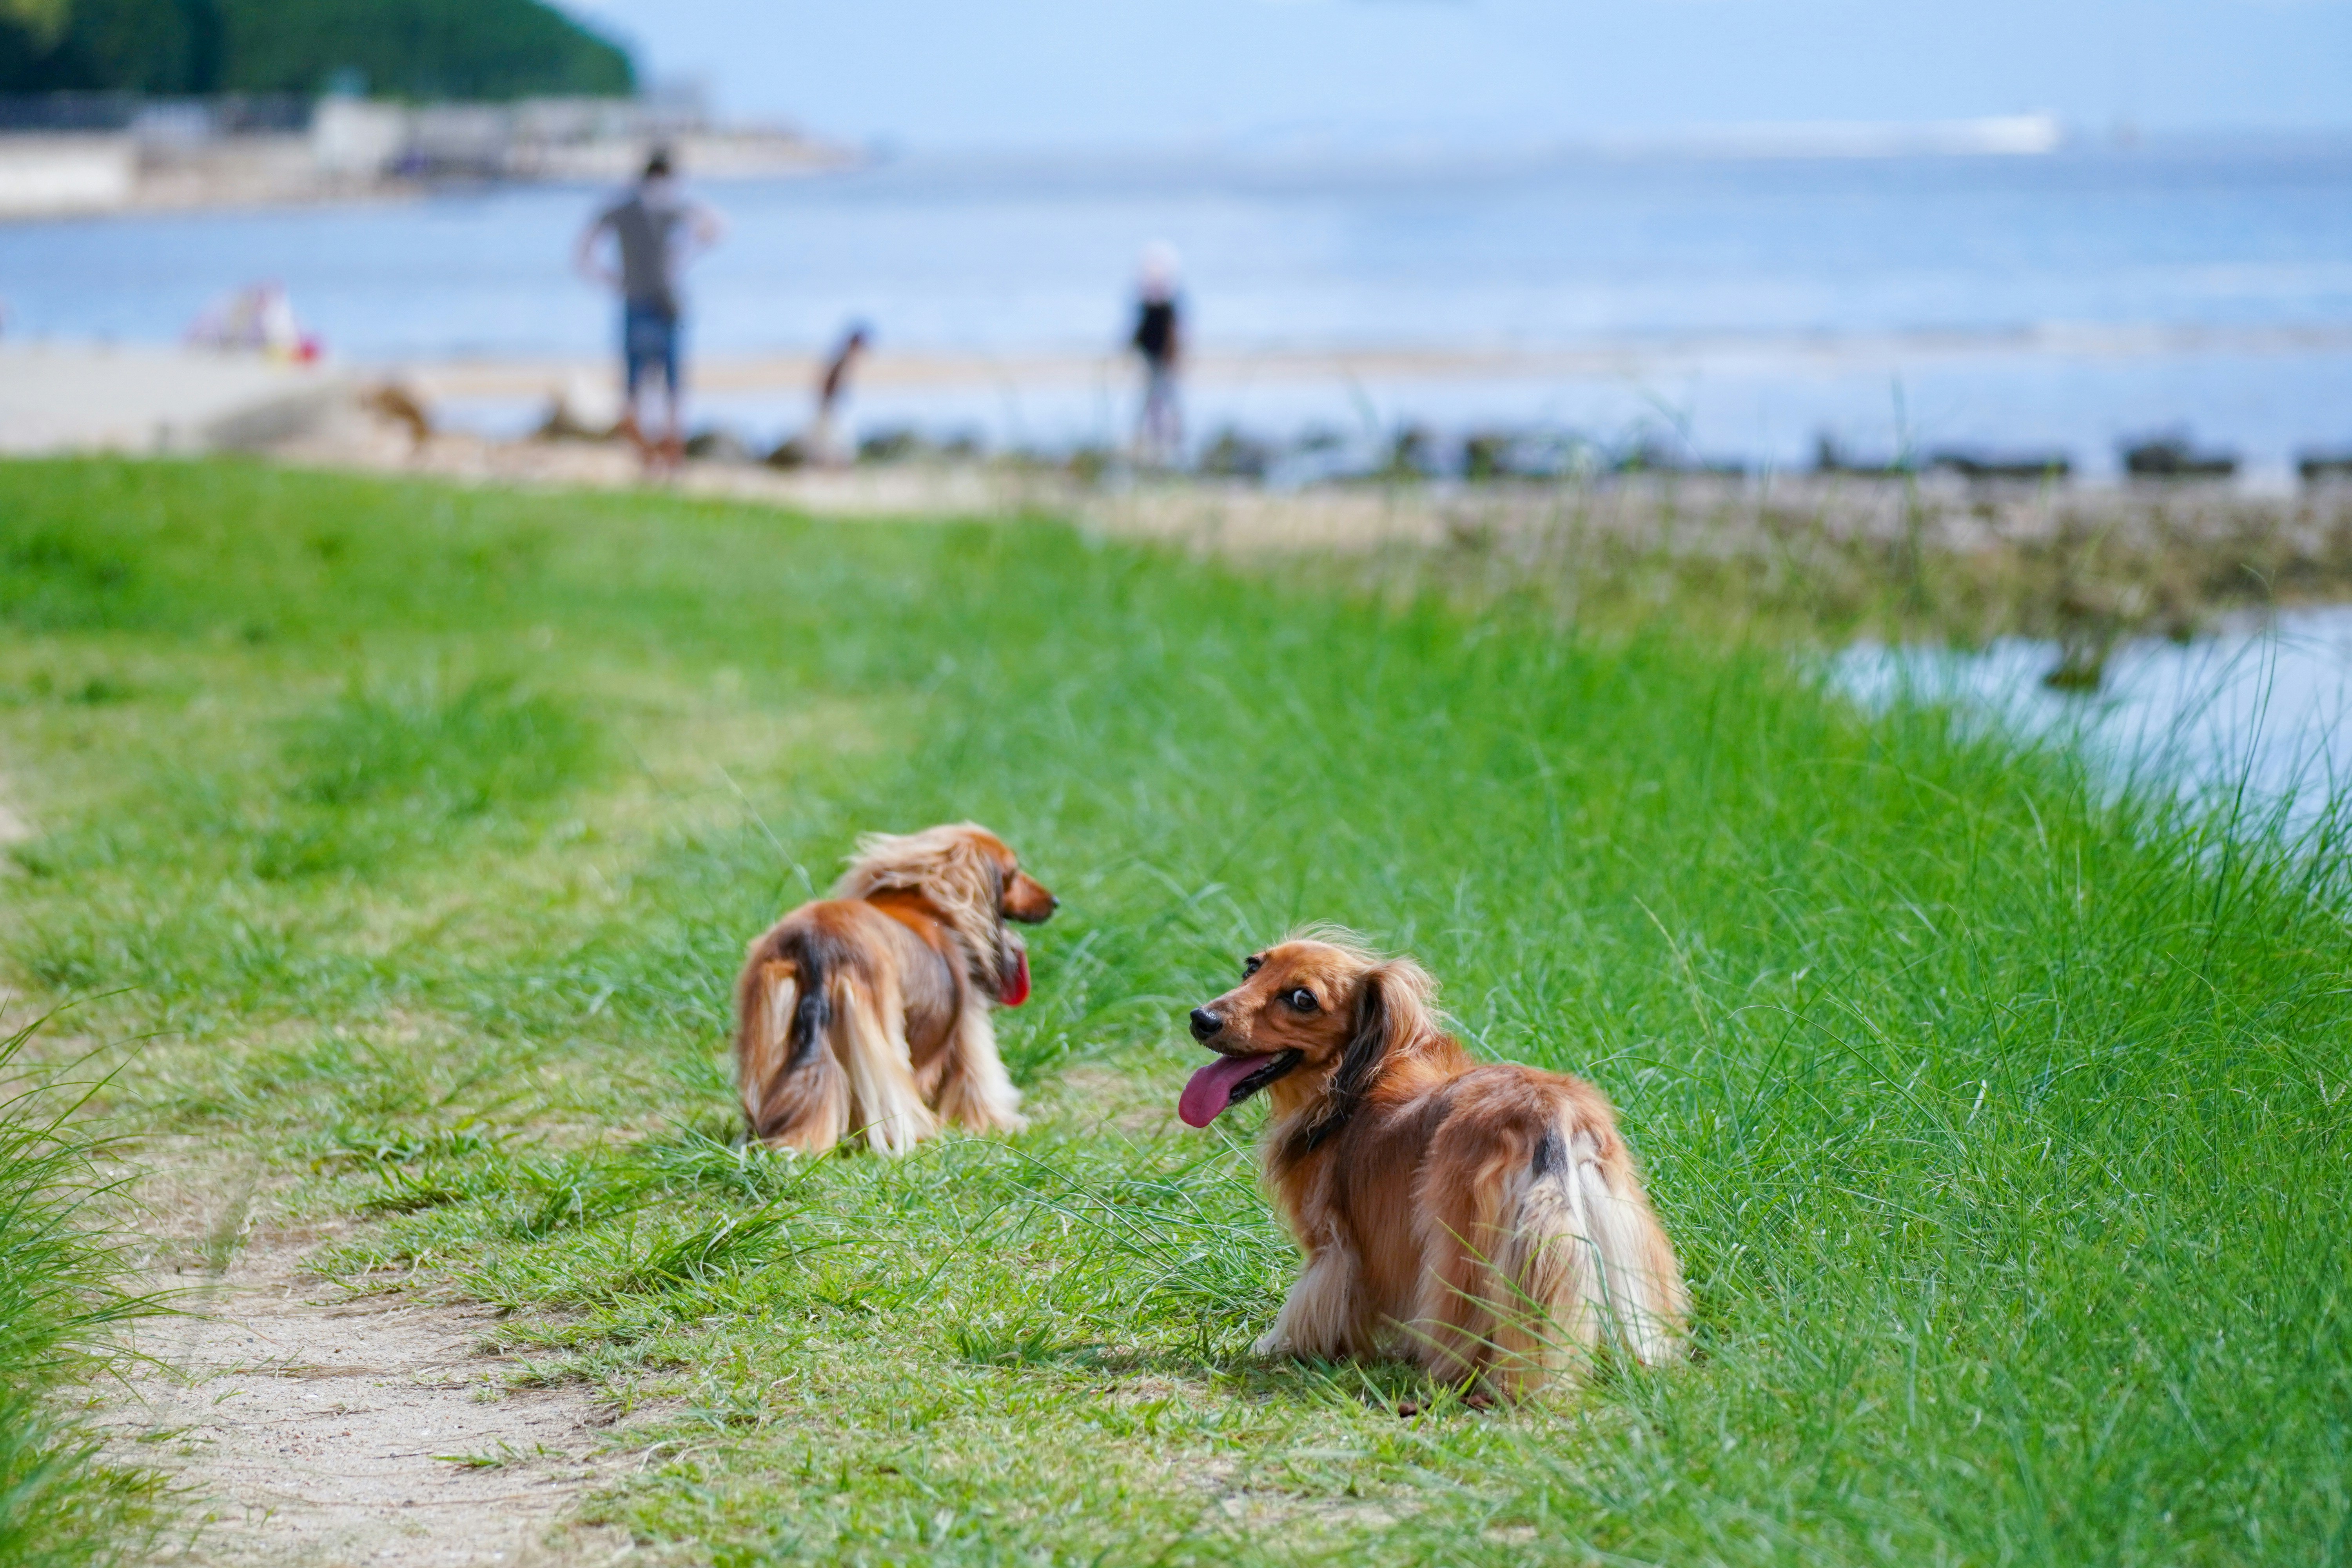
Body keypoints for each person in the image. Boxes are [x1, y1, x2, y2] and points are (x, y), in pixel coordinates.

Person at [575, 148, 724, 471]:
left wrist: (607, 278)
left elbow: (584, 249)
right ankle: (670, 452)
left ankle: (643, 454)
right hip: (667, 301)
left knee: (634, 385)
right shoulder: (672, 204)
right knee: (672, 385)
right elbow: (715, 227)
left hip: (633, 299)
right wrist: (684, 254)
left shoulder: (622, 207)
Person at [1130, 242, 1183, 466]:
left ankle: (1173, 433)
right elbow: (1140, 329)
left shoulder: (1168, 304)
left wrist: (1174, 354)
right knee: (1150, 396)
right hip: (1149, 355)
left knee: (1167, 394)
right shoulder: (1146, 302)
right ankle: (1148, 433)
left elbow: (1173, 332)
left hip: (1163, 356)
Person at [809, 322, 871, 467]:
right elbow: (831, 384)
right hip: (830, 405)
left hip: (831, 405)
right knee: (833, 441)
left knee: (831, 441)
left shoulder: (843, 357)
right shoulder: (844, 359)